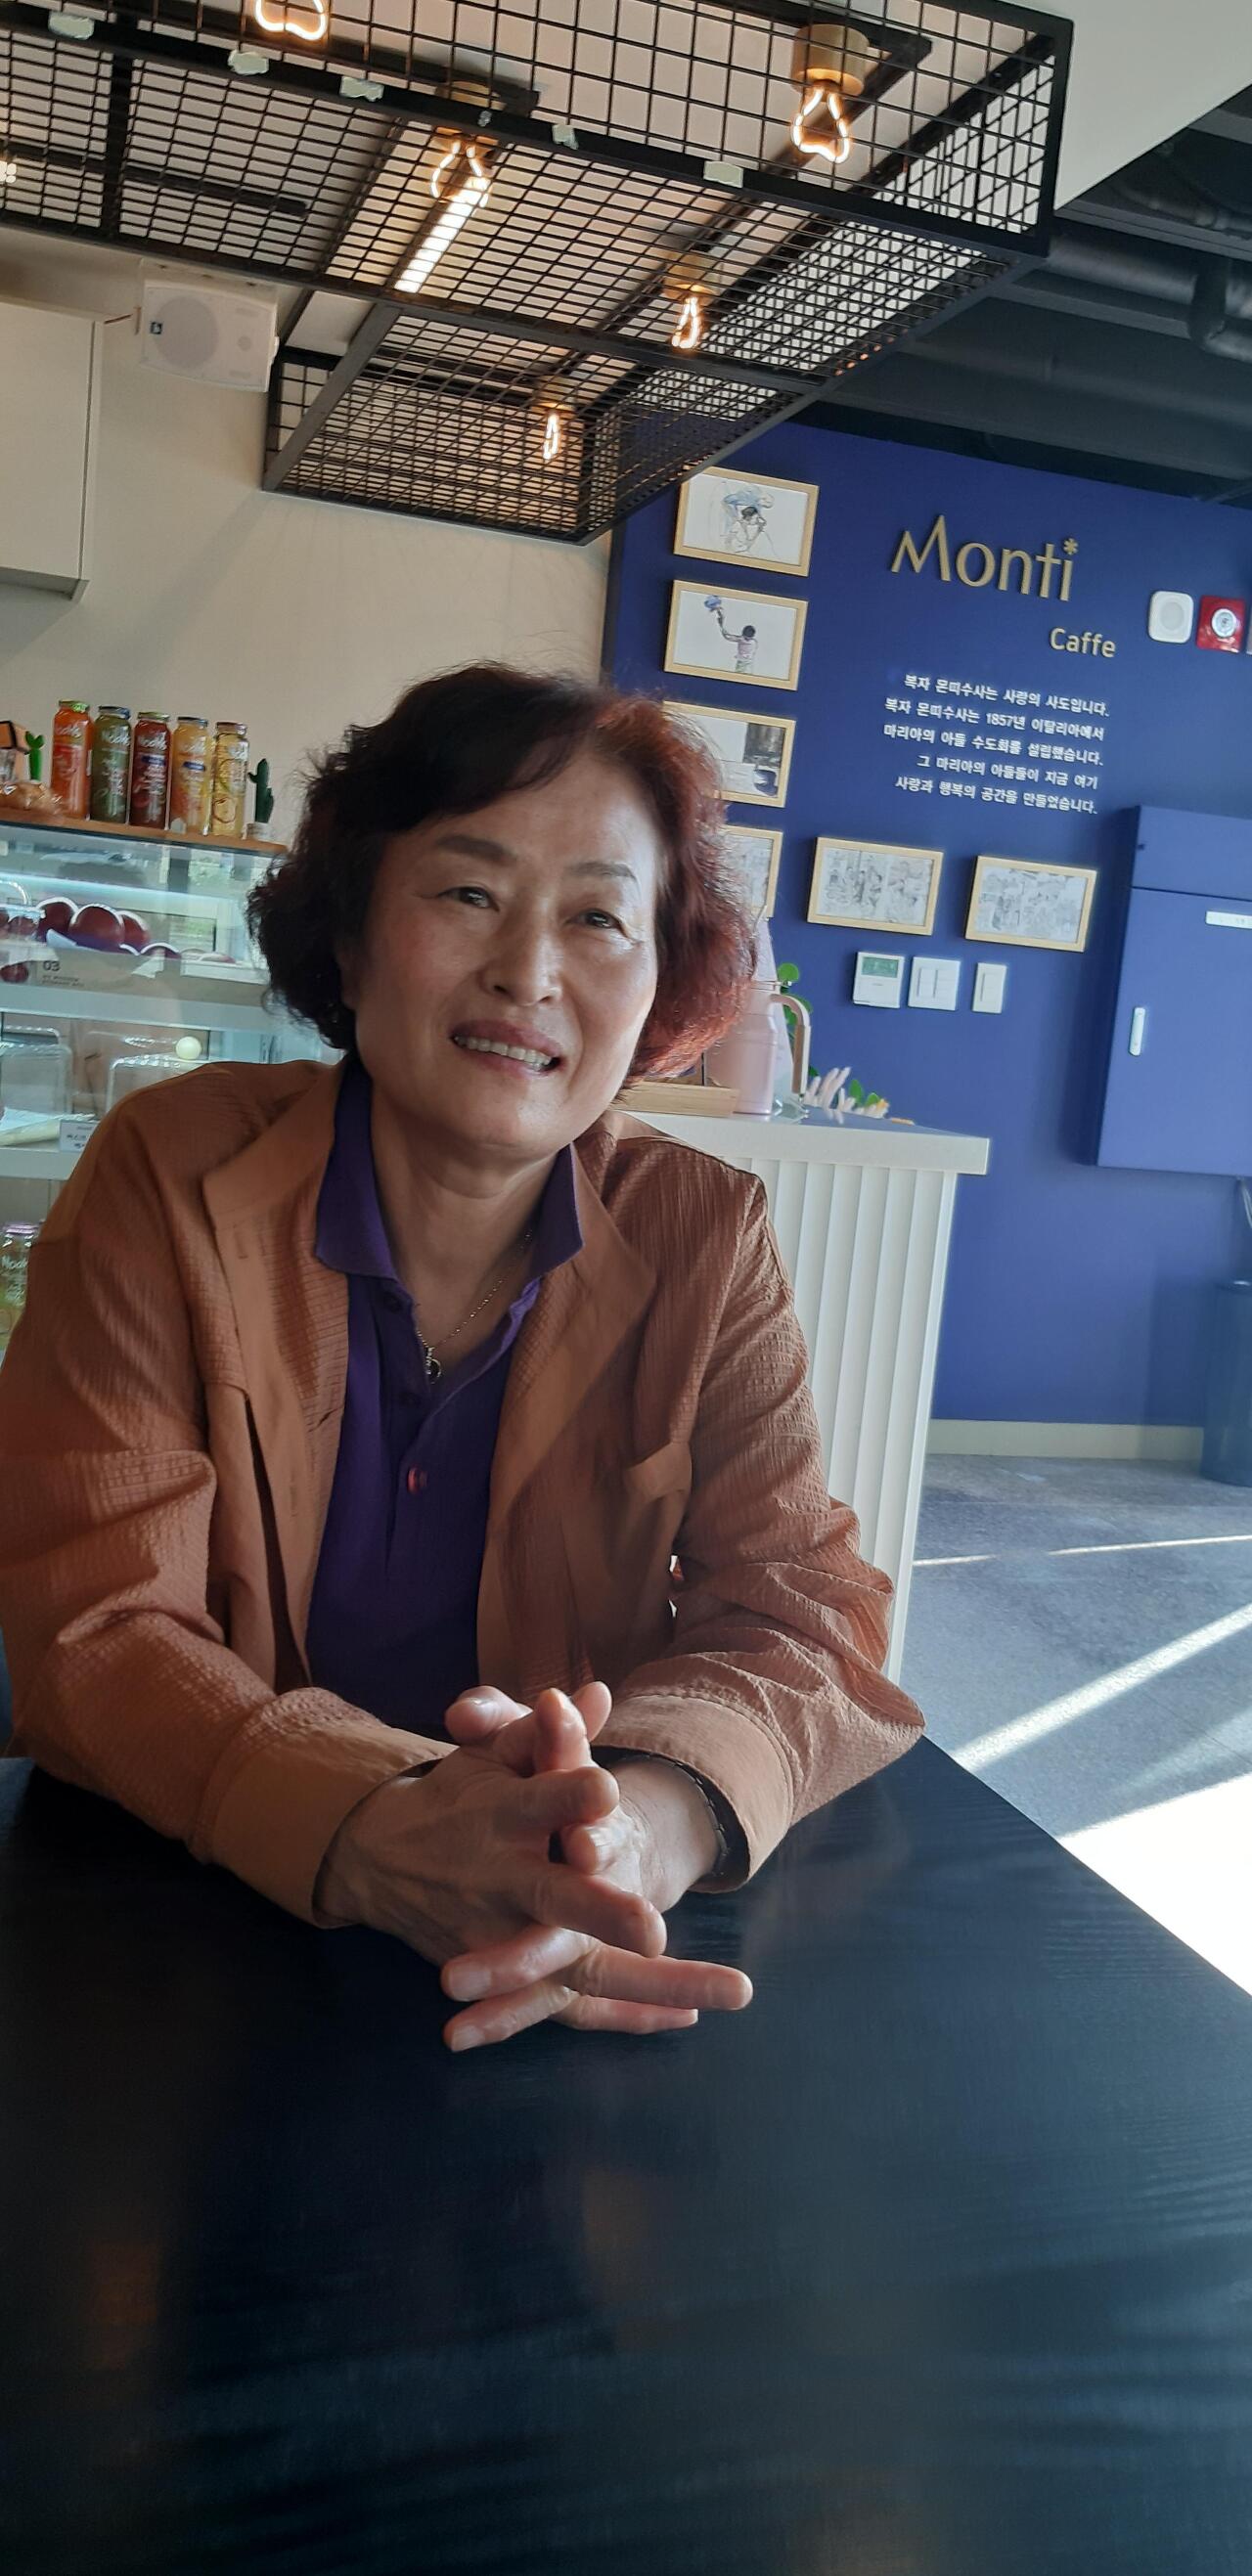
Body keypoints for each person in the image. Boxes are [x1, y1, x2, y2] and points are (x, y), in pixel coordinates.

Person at [0, 666, 922, 2052]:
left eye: (598, 917)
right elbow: (97, 1627)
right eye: (469, 892)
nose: (529, 972)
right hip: (187, 1935)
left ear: (660, 984)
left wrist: (637, 1829)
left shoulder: (704, 1234)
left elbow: (806, 1616)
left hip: (559, 1948)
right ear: (352, 938)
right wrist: (374, 1820)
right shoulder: (169, 1173)